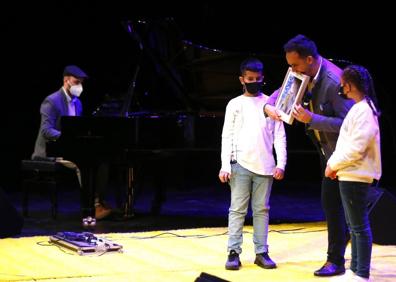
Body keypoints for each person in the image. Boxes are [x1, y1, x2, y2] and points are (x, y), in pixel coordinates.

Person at [263, 34, 354, 276]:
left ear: (310, 59)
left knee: (337, 206)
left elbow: (350, 123)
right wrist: (268, 105)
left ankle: (336, 261)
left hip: (344, 154)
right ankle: (340, 251)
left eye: (295, 64)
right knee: (333, 204)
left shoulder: (335, 82)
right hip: (327, 150)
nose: (291, 70)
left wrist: (312, 119)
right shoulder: (303, 73)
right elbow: (282, 91)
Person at [219, 58, 287, 270]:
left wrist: (281, 163)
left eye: (258, 79)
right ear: (242, 80)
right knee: (237, 210)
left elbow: (279, 135)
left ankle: (261, 252)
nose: (254, 82)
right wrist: (225, 165)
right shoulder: (235, 104)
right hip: (240, 164)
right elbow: (226, 136)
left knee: (262, 210)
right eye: (250, 79)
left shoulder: (271, 104)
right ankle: (233, 252)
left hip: (265, 166)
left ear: (263, 79)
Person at [32, 65, 111, 221]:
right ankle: (91, 207)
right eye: (76, 82)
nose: (79, 87)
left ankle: (99, 202)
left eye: (81, 83)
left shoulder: (77, 103)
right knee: (82, 164)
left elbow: (77, 129)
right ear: (66, 80)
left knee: (102, 161)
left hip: (68, 149)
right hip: (50, 151)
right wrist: (67, 138)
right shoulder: (51, 101)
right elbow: (46, 131)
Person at [325, 65, 381, 281]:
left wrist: (333, 164)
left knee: (358, 226)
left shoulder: (364, 110)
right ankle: (356, 270)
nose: (341, 89)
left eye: (343, 85)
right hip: (350, 173)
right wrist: (335, 164)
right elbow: (346, 143)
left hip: (356, 174)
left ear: (349, 85)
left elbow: (356, 147)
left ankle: (361, 273)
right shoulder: (360, 108)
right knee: (354, 225)